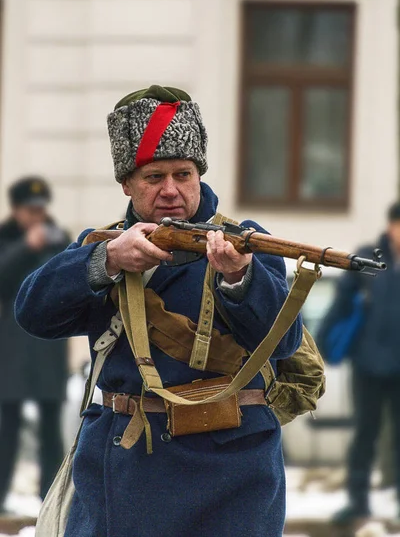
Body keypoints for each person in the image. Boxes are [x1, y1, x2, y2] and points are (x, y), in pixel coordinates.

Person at [15, 86, 303, 537]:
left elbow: (282, 343)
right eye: (153, 177)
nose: (171, 190)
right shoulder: (103, 245)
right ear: (127, 184)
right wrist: (107, 261)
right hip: (127, 468)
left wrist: (238, 279)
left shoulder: (246, 242)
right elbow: (33, 313)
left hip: (233, 475)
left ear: (199, 176)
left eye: (183, 174)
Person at [317, 202, 400, 525]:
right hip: (367, 363)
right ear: (391, 226)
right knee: (365, 433)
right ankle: (358, 502)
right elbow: (341, 301)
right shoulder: (370, 257)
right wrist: (324, 342)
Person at [0, 177, 70, 512]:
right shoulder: (6, 238)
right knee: (5, 431)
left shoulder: (58, 239)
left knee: (50, 433)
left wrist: (45, 246)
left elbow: (68, 279)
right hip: (10, 353)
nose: (37, 217)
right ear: (16, 210)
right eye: (30, 210)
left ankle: (50, 504)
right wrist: (26, 246)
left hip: (47, 352)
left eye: (40, 211)